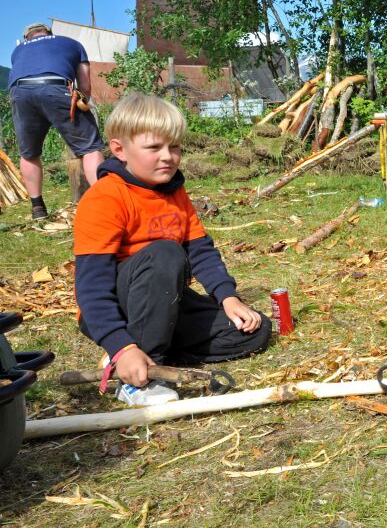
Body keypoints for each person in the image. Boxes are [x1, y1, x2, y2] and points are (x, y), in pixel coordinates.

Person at [73, 94, 271, 406]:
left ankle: (146, 352)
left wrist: (228, 298)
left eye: (174, 147)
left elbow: (200, 250)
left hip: (165, 304)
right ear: (119, 150)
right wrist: (119, 342)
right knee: (165, 252)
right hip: (120, 307)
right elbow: (91, 287)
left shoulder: (174, 191)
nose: (168, 156)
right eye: (154, 148)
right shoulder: (104, 198)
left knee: (255, 330)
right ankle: (139, 375)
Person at [7, 22, 105, 219]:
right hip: (57, 87)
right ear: (50, 33)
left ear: (27, 38)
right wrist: (83, 103)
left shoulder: (18, 50)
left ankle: (37, 209)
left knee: (29, 153)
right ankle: (105, 202)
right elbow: (85, 86)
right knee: (90, 148)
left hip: (20, 93)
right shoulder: (71, 43)